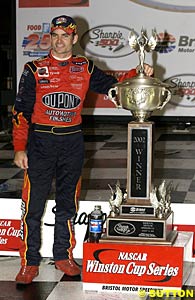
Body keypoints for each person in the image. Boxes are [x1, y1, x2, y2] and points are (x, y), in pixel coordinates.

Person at [12, 15, 153, 285]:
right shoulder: (34, 68)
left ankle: (63, 256)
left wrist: (138, 73)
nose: (59, 40)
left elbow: (112, 83)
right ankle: (29, 262)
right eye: (55, 35)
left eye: (65, 35)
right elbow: (21, 112)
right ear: (50, 37)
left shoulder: (84, 66)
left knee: (67, 204)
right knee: (32, 206)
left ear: (75, 39)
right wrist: (20, 148)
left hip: (72, 142)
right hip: (41, 143)